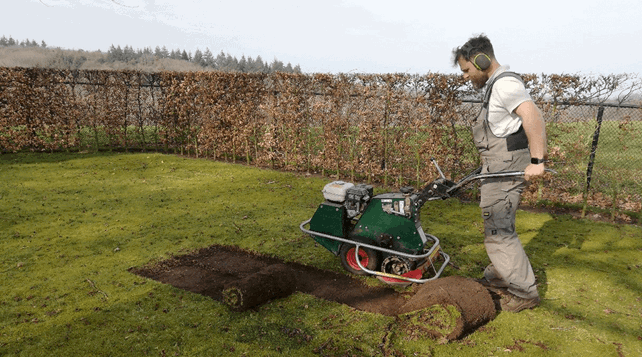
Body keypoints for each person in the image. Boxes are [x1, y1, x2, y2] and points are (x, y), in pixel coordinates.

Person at [452, 34, 547, 312]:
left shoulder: (504, 85)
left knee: (498, 229)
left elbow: (532, 115)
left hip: (505, 170)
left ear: (481, 60)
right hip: (498, 166)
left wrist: (538, 160)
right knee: (500, 222)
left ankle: (524, 291)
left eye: (467, 70)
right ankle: (502, 273)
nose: (466, 76)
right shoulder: (497, 85)